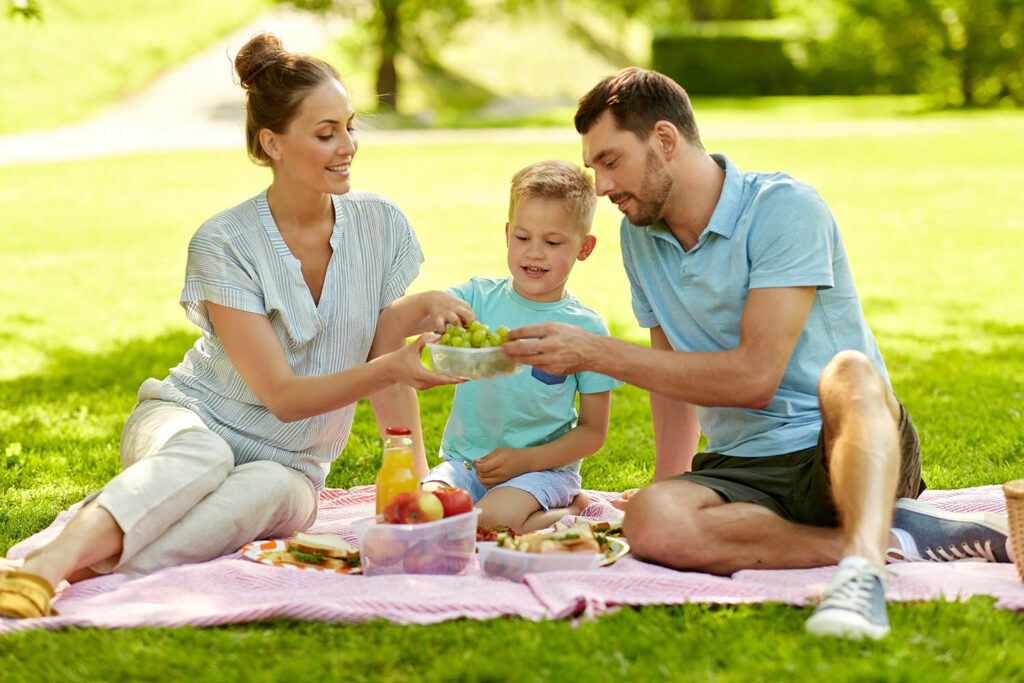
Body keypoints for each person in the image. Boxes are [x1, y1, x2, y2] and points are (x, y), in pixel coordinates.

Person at [501, 68, 1011, 640]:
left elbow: (755, 377)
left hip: (842, 441)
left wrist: (595, 352)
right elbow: (670, 375)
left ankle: (862, 577)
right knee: (651, 522)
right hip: (745, 467)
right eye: (594, 167)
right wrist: (666, 481)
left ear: (665, 141)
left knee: (851, 371)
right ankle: (895, 539)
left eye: (611, 160)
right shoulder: (638, 235)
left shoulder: (784, 209)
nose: (599, 186)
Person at [0, 32, 472, 619]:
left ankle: (70, 567)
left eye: (350, 126)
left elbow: (382, 351)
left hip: (293, 466)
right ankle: (46, 568)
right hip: (191, 419)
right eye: (326, 133)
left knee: (263, 496)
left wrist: (415, 480)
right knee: (204, 458)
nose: (347, 145)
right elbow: (281, 396)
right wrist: (390, 364)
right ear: (271, 142)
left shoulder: (381, 226)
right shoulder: (224, 242)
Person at [422, 160, 622, 533]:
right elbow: (412, 316)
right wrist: (431, 309)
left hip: (543, 470)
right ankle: (515, 511)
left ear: (585, 247)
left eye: (552, 242)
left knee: (492, 523)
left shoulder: (586, 330)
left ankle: (573, 512)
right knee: (423, 510)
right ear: (507, 233)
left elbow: (594, 431)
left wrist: (525, 461)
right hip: (465, 462)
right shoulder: (476, 298)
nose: (534, 253)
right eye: (523, 238)